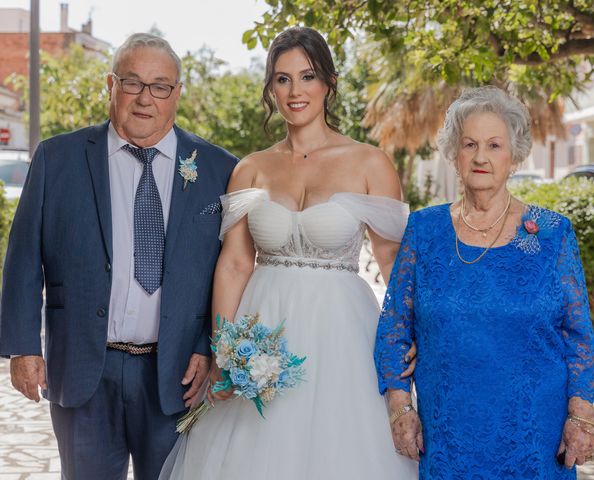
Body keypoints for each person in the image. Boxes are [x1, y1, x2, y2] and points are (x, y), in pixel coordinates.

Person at [160, 26, 418, 479]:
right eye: (282, 79)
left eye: (307, 76)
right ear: (271, 88)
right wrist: (225, 350)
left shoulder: (369, 162)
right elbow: (236, 264)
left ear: (329, 83)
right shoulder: (251, 168)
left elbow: (394, 260)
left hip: (343, 337)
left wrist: (410, 335)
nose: (295, 91)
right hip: (264, 329)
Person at [0, 33, 237, 479]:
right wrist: (22, 347)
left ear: (177, 93)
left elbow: (231, 269)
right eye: (132, 83)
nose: (145, 98)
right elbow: (24, 258)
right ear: (111, 85)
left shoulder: (218, 169)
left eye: (160, 85)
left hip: (175, 375)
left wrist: (209, 346)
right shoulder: (58, 157)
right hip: (84, 368)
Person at [374, 86, 594, 479]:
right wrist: (400, 407)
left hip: (535, 438)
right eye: (469, 144)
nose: (481, 157)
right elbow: (394, 327)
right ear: (454, 153)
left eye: (494, 145)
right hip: (448, 437)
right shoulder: (424, 231)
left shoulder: (551, 234)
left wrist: (581, 416)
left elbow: (577, 335)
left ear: (514, 156)